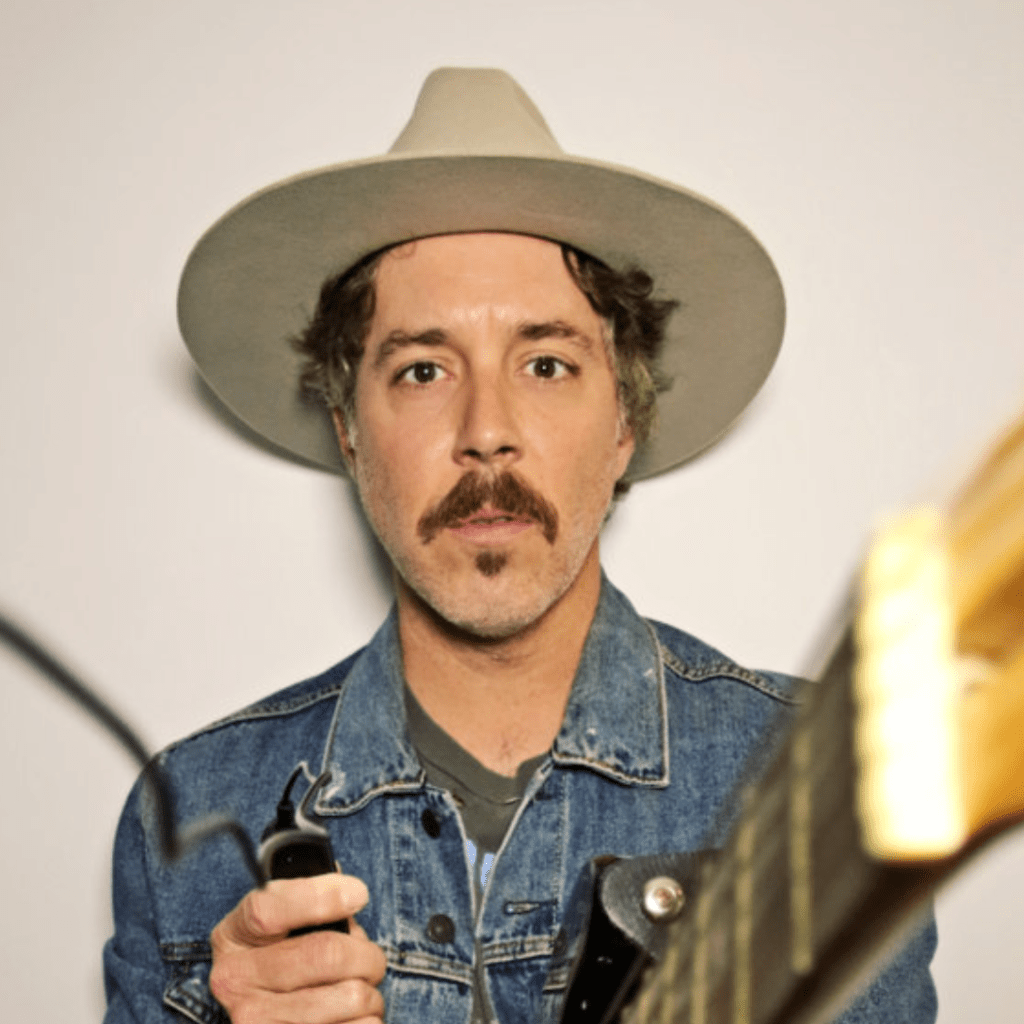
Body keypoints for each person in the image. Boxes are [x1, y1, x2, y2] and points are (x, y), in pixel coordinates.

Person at [103, 69, 937, 1024]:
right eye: (422, 369)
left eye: (545, 364)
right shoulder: (191, 820)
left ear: (625, 420)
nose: (486, 429)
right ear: (348, 429)